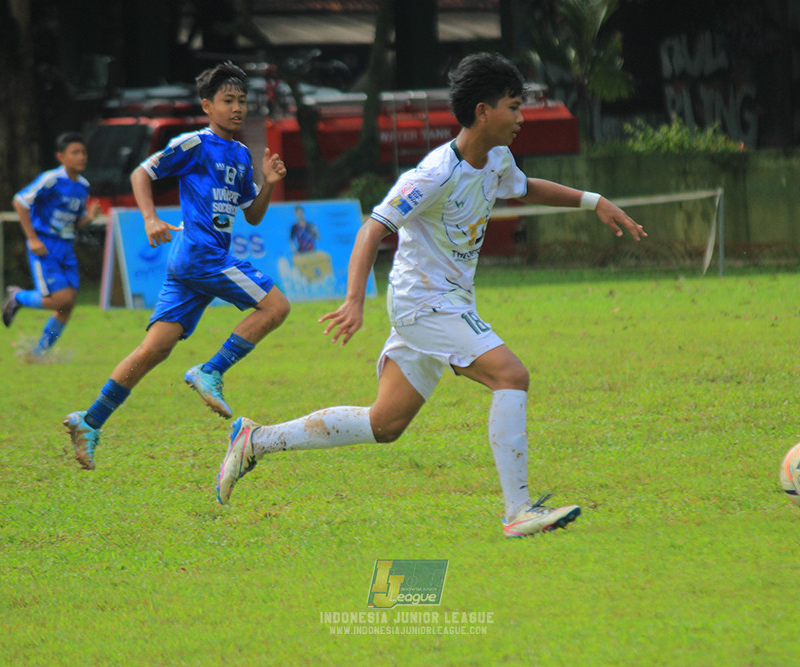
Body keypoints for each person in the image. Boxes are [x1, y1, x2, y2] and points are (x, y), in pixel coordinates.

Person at [215, 53, 647, 538]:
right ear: (483, 112)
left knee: (386, 423)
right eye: (513, 106)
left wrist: (595, 202)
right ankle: (518, 510)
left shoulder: (497, 160)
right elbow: (370, 230)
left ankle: (257, 439)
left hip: (449, 303)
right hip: (424, 303)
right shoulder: (434, 174)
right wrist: (355, 299)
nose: (522, 117)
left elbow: (526, 188)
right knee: (511, 375)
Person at [63, 62, 289, 470]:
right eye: (228, 101)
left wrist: (269, 182)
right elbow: (142, 173)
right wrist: (150, 218)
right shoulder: (195, 144)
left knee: (154, 349)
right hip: (201, 255)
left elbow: (252, 215)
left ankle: (89, 421)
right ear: (208, 106)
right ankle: (210, 370)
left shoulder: (240, 153)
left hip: (194, 262)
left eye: (242, 101)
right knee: (276, 307)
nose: (237, 108)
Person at [2, 132, 103, 361]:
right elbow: (20, 202)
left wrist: (89, 217)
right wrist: (32, 238)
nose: (81, 157)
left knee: (67, 305)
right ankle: (17, 297)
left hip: (66, 247)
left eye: (83, 152)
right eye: (75, 153)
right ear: (61, 156)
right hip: (45, 245)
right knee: (61, 300)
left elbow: (74, 223)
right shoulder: (51, 179)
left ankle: (39, 354)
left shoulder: (83, 186)